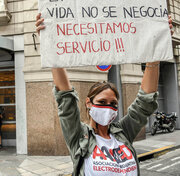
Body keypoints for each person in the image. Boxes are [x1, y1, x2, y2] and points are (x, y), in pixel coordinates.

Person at [36, 13, 173, 176]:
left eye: (113, 104)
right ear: (88, 103)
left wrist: (156, 49)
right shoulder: (79, 136)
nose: (108, 107)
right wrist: (50, 45)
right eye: (101, 102)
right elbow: (66, 98)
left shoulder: (123, 132)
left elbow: (144, 102)